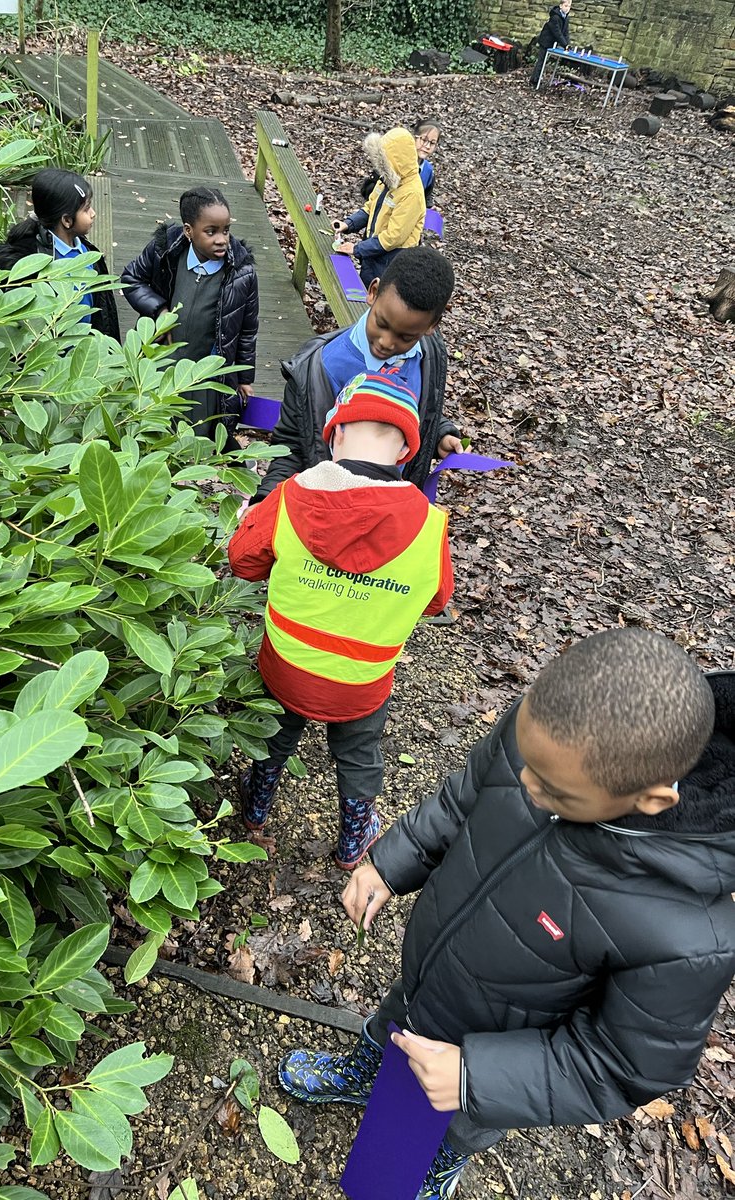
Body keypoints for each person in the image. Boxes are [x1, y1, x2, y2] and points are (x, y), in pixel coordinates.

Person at [278, 628, 735, 1199]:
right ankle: (368, 1071)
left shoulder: (689, 936)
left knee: (447, 1128)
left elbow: (623, 1064)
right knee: (398, 1020)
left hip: (500, 1044)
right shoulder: (548, 741)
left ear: (652, 799)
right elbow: (466, 795)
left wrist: (474, 1076)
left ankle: (439, 1162)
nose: (525, 784)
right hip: (435, 974)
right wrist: (391, 862)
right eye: (526, 762)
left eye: (552, 792)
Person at [228, 372, 454, 869]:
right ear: (403, 453)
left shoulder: (288, 497)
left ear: (334, 435)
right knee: (358, 751)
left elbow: (242, 562)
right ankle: (354, 840)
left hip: (287, 664)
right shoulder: (430, 524)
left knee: (276, 732)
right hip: (362, 681)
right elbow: (437, 600)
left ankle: (256, 805)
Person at [253, 245, 461, 505]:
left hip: (394, 513)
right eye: (381, 324)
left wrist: (439, 433)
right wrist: (263, 503)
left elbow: (418, 407)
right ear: (373, 292)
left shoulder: (429, 354)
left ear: (431, 326)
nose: (386, 342)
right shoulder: (318, 368)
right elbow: (291, 448)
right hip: (330, 511)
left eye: (405, 337)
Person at [120, 187, 259, 447]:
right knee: (156, 424)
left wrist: (245, 378)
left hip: (205, 370)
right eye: (211, 231)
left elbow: (248, 329)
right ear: (188, 231)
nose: (221, 239)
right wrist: (158, 310)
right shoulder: (165, 252)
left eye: (226, 230)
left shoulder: (241, 274)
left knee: (196, 433)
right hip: (163, 360)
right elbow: (131, 278)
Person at [0, 168, 121, 342]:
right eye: (86, 209)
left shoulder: (89, 253)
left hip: (85, 349)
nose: (93, 213)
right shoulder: (27, 264)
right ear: (66, 220)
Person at [332, 127, 426, 288]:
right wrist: (348, 224)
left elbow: (394, 237)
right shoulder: (388, 180)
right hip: (373, 252)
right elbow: (371, 207)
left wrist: (357, 249)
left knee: (377, 298)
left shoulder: (412, 194)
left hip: (390, 263)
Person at [360, 118, 440, 209]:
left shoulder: (428, 172)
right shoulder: (395, 161)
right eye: (424, 140)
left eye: (432, 143)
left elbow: (425, 197)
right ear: (413, 138)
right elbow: (368, 189)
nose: (427, 146)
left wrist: (429, 208)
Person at [530, 0, 572, 87]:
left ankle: (536, 79)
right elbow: (557, 33)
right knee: (541, 61)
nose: (567, 8)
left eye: (569, 6)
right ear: (561, 6)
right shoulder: (555, 17)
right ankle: (534, 81)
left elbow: (565, 33)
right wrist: (564, 44)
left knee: (544, 62)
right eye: (565, 6)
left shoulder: (566, 17)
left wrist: (567, 44)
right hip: (546, 40)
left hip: (553, 43)